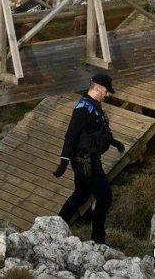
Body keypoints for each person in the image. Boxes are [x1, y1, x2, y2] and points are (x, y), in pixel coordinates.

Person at [52, 74, 125, 244]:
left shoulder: (94, 105)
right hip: (86, 162)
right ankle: (98, 239)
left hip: (88, 159)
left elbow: (97, 130)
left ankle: (55, 226)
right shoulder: (82, 109)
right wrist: (63, 162)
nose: (107, 94)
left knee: (81, 193)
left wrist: (114, 142)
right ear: (97, 88)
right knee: (104, 197)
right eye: (106, 91)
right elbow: (71, 135)